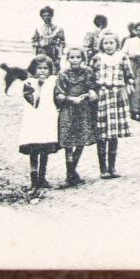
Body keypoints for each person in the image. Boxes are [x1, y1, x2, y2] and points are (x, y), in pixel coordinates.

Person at [53, 47, 99, 186]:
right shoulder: (63, 74)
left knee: (81, 140)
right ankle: (70, 174)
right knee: (68, 141)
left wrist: (89, 93)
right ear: (68, 59)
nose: (75, 60)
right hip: (68, 109)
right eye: (72, 57)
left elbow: (93, 87)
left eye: (78, 57)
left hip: (83, 110)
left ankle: (72, 172)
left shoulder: (88, 72)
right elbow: (58, 93)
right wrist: (70, 99)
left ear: (82, 59)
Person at [18, 53, 61, 193]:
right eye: (39, 68)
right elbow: (33, 101)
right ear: (33, 69)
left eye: (46, 68)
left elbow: (58, 97)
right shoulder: (29, 83)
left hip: (47, 120)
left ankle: (42, 177)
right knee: (33, 150)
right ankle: (34, 179)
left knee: (45, 149)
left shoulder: (53, 82)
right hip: (33, 121)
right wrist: (39, 87)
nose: (42, 71)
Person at [93, 31, 133, 178]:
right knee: (102, 132)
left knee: (113, 133)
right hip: (102, 95)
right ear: (101, 45)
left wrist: (127, 88)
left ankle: (112, 167)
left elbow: (130, 76)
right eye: (105, 43)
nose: (108, 46)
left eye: (111, 43)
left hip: (117, 96)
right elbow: (90, 76)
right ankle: (102, 168)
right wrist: (92, 90)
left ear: (117, 44)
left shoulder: (122, 57)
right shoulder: (97, 58)